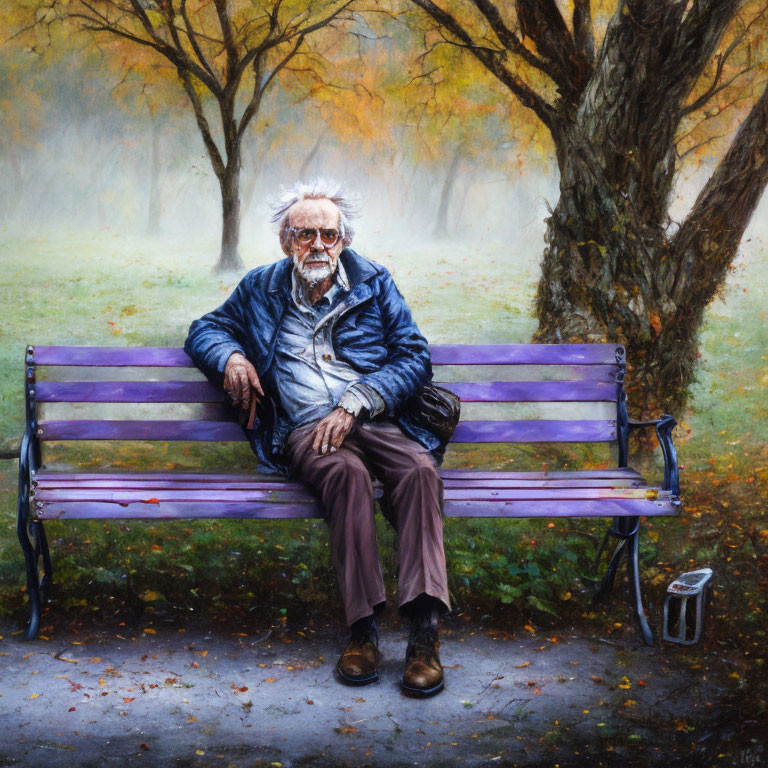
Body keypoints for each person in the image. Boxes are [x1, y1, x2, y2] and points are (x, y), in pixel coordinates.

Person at [184, 179, 451, 697]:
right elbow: (204, 329)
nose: (318, 246)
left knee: (420, 471)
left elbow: (415, 357)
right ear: (286, 241)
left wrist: (358, 400)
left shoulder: (374, 281)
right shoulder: (261, 287)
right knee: (347, 476)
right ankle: (363, 632)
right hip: (306, 428)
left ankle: (424, 634)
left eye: (328, 235)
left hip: (372, 415)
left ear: (343, 240)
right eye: (305, 234)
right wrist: (232, 357)